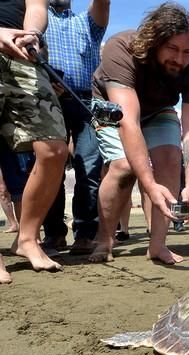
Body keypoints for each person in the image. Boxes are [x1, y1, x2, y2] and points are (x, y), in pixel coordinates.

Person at [89, 2, 189, 264]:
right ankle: (104, 238)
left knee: (170, 159)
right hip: (113, 107)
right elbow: (128, 121)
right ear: (154, 42)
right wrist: (150, 184)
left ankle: (157, 245)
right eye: (172, 49)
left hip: (158, 108)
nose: (179, 59)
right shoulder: (120, 48)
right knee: (122, 167)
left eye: (186, 51)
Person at [1, 0, 70, 279]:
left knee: (53, 147)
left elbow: (36, 5)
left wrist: (32, 33)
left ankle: (27, 239)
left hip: (22, 53)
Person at [42, 0, 110, 255]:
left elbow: (103, 5)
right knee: (50, 168)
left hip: (86, 101)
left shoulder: (87, 21)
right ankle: (54, 233)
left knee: (89, 166)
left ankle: (85, 233)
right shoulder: (35, 16)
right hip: (49, 99)